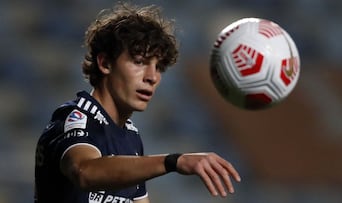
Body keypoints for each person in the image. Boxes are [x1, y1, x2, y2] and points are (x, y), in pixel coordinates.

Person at [34, 2, 241, 203]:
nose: (152, 77)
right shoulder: (75, 117)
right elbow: (84, 172)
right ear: (105, 63)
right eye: (139, 62)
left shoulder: (131, 136)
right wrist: (173, 161)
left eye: (159, 67)